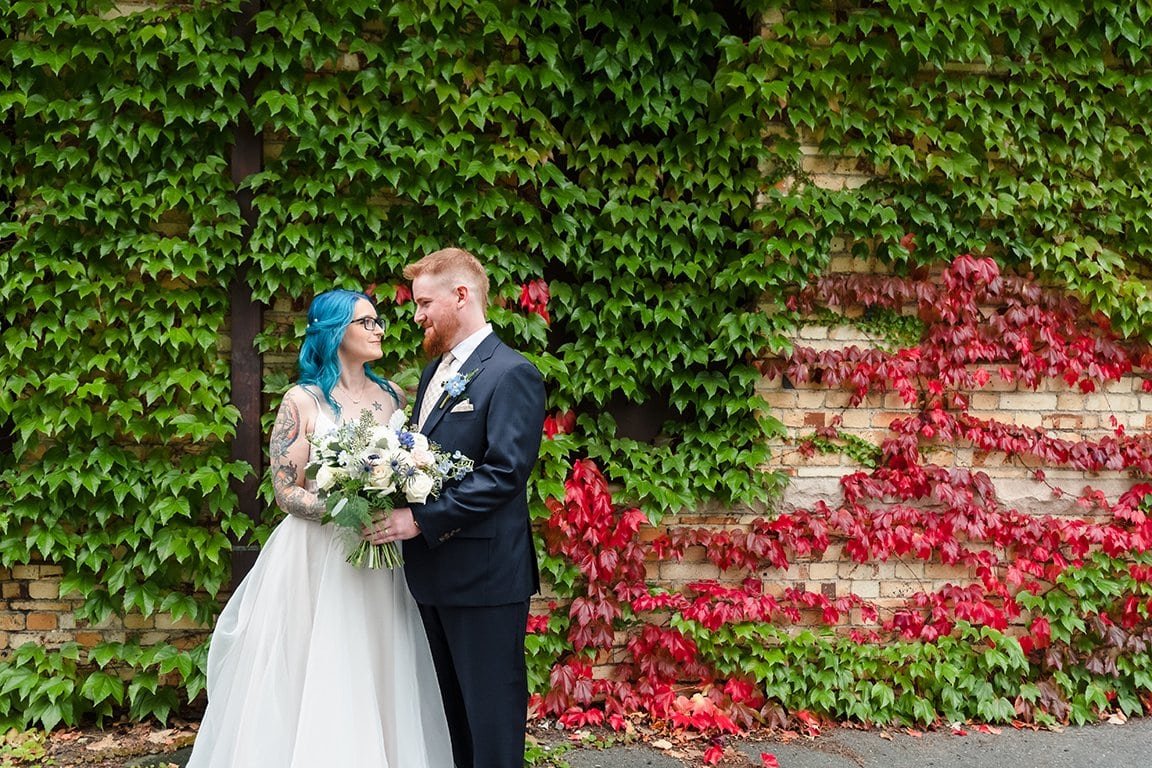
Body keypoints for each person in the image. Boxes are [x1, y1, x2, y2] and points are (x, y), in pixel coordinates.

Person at [187, 289, 452, 768]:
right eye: (366, 322)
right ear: (335, 333)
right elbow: (286, 491)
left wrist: (394, 493)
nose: (378, 330)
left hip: (379, 556)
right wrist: (346, 510)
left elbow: (407, 462)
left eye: (377, 322)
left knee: (378, 661)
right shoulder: (302, 400)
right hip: (315, 556)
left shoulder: (392, 395)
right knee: (316, 665)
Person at [371, 247, 546, 768]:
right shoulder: (432, 375)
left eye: (425, 303)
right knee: (449, 721)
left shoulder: (512, 372)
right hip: (433, 575)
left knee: (491, 722)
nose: (417, 314)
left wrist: (419, 520)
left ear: (462, 295)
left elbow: (505, 474)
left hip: (486, 579)